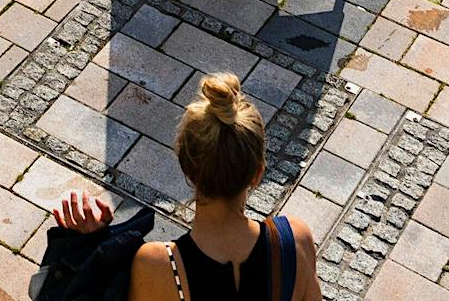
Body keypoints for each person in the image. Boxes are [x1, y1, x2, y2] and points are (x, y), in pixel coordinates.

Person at [52, 73, 321, 300]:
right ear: (257, 175)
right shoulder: (294, 241)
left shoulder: (159, 265)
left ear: (186, 166)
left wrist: (98, 245)